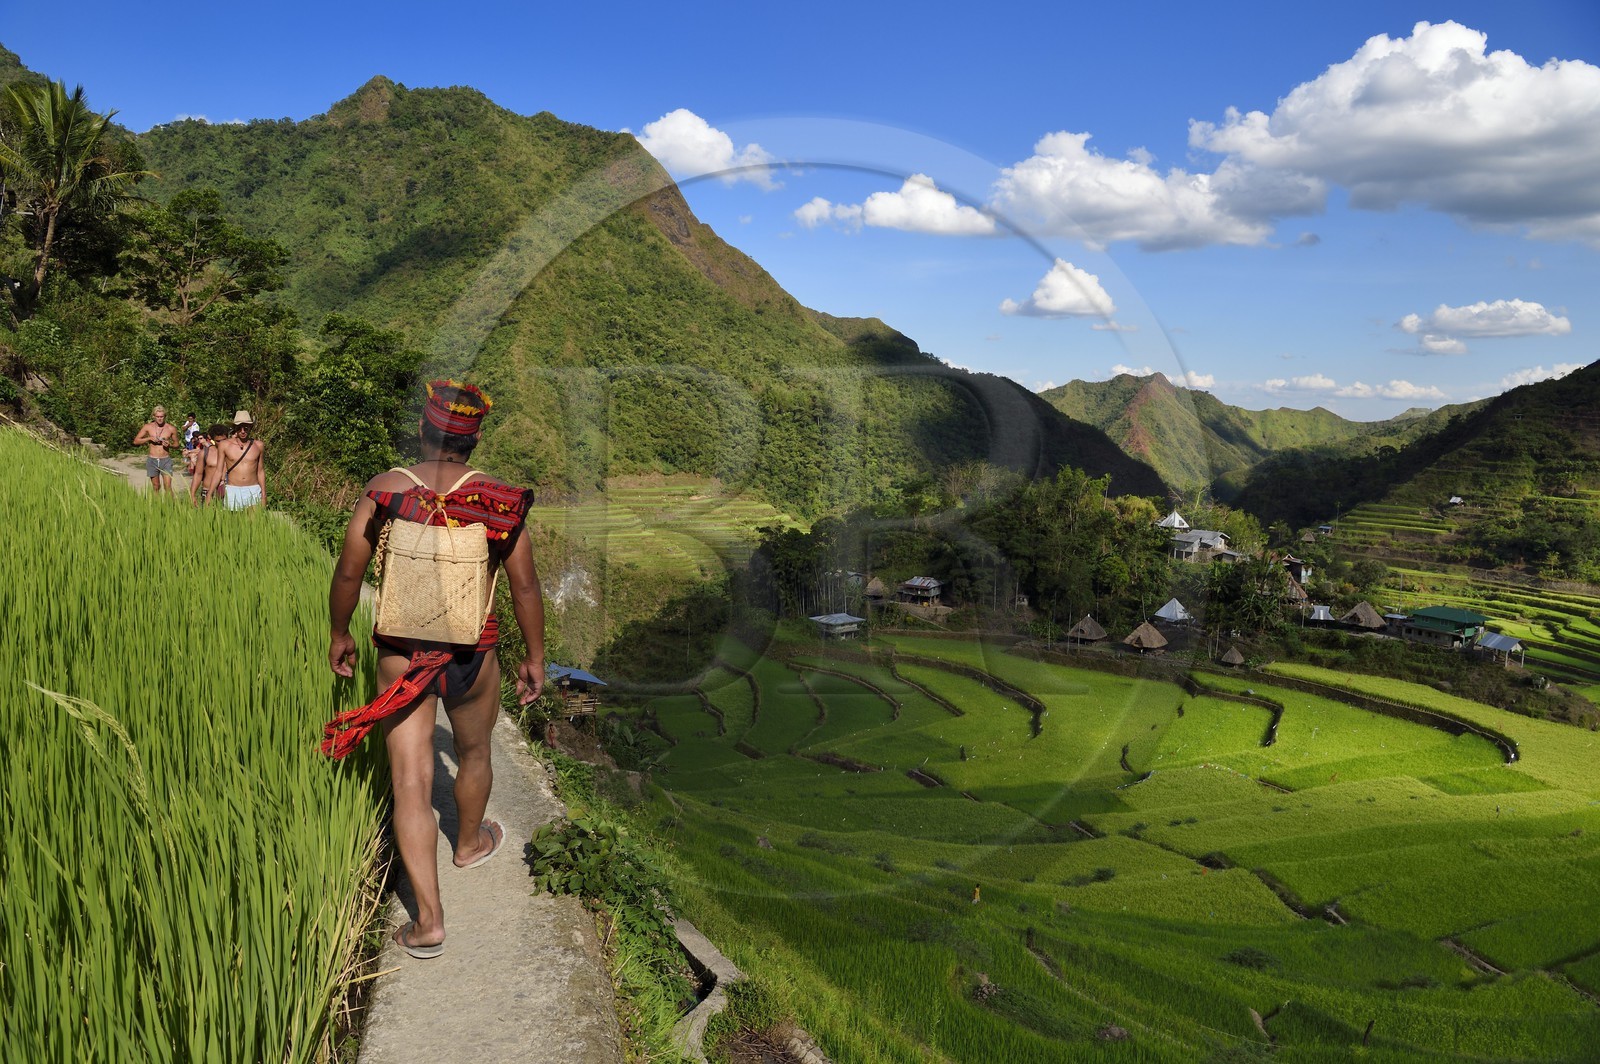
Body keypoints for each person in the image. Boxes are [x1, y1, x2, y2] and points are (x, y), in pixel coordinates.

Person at [324, 380, 545, 960]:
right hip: (473, 655)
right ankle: (468, 844)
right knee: (474, 753)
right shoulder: (499, 501)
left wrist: (340, 632)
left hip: (401, 652)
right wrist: (535, 658)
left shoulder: (386, 489)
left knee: (412, 783)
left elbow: (349, 572)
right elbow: (524, 586)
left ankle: (428, 921)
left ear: (423, 430)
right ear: (472, 441)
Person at [215, 410, 266, 510]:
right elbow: (218, 471)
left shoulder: (258, 445)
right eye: (239, 428)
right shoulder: (225, 445)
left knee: (253, 523)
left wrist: (263, 493)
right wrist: (209, 494)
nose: (242, 431)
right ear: (235, 429)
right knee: (233, 524)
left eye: (245, 428)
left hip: (253, 489)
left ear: (250, 428)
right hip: (233, 489)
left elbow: (260, 471)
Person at [132, 406, 179, 495]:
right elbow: (136, 441)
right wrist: (149, 438)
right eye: (158, 417)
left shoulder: (171, 428)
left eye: (162, 417)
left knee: (168, 487)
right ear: (154, 416)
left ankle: (171, 507)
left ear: (165, 416)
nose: (160, 419)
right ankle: (156, 507)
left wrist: (170, 445)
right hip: (152, 460)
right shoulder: (148, 427)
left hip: (165, 460)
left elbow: (177, 445)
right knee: (156, 486)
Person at [195, 424, 229, 506]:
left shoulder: (233, 452)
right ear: (212, 439)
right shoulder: (205, 453)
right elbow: (198, 474)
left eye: (224, 440)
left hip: (227, 491)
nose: (221, 443)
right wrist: (192, 494)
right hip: (208, 490)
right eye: (218, 441)